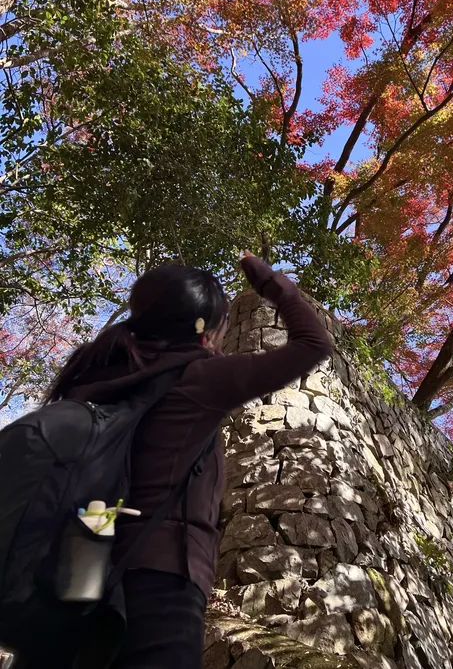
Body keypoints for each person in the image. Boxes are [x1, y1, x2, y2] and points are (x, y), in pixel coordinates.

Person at [45, 252, 332, 669]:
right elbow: (313, 344)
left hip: (80, 575)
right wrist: (269, 281)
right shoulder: (198, 378)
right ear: (205, 331)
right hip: (163, 580)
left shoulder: (97, 380)